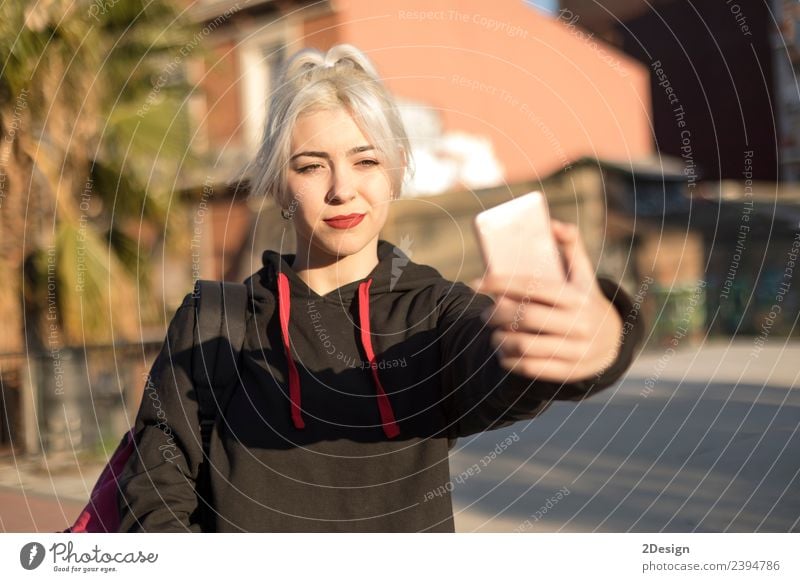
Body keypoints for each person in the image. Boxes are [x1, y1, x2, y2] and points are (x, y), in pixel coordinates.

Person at [117, 44, 643, 532]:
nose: (343, 188)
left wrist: (600, 339)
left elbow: (498, 365)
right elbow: (154, 480)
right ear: (279, 184)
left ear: (394, 172)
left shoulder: (435, 313)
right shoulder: (214, 317)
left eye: (365, 161)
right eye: (311, 165)